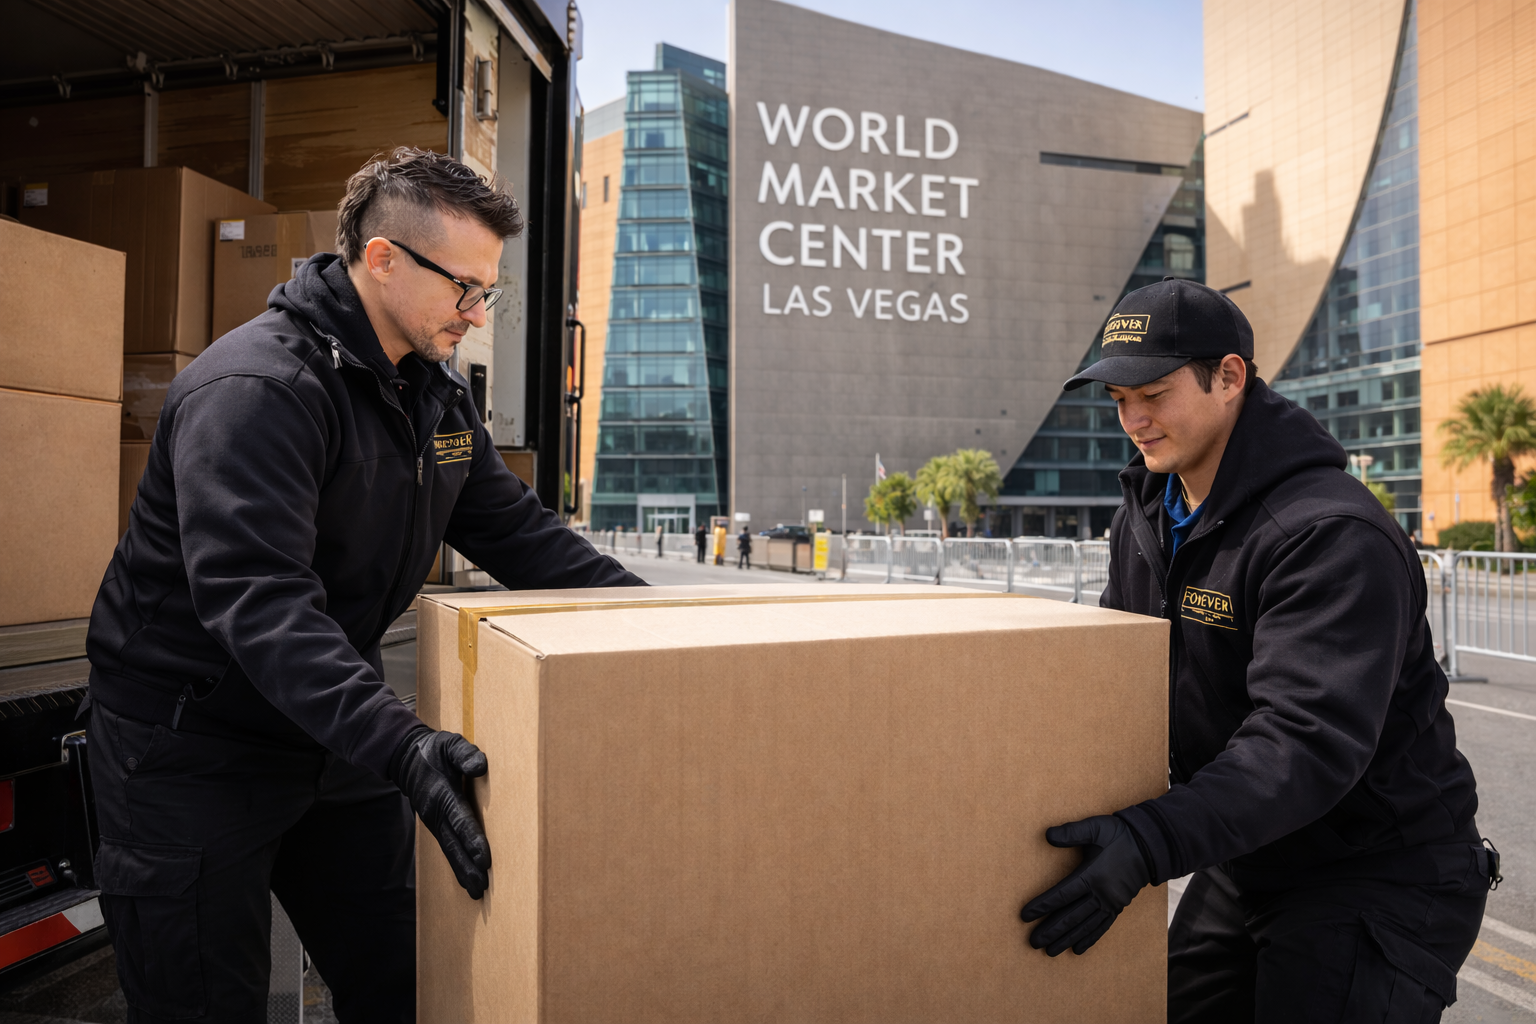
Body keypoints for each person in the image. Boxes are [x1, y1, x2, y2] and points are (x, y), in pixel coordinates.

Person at [85, 147, 644, 1023]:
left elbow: (522, 537)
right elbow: (261, 602)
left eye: (487, 292)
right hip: (191, 745)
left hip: (331, 732)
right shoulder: (258, 390)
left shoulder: (433, 396)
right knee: (204, 1002)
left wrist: (664, 620)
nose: (477, 314)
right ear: (382, 259)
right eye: (464, 288)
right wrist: (404, 744)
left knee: (407, 981)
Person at [1019, 279, 1491, 1023]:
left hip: (1376, 867)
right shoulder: (1145, 517)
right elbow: (1120, 679)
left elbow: (1304, 740)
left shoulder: (1327, 532)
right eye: (1119, 398)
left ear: (1230, 377)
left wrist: (1150, 838)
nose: (1134, 419)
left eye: (1154, 393)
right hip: (1255, 848)